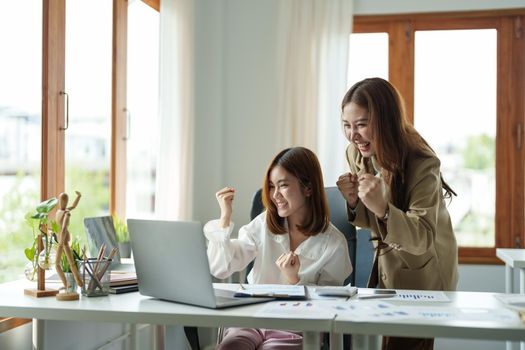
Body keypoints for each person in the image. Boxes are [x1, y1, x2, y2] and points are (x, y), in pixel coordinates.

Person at [336, 78, 458, 350]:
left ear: (385, 120)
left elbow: (423, 236)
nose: (353, 135)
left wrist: (381, 207)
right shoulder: (356, 152)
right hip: (388, 267)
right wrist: (356, 202)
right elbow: (375, 217)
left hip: (423, 270)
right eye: (347, 125)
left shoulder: (422, 163)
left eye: (361, 125)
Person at [205, 146, 353, 350]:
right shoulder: (263, 224)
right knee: (230, 346)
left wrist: (295, 281)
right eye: (272, 186)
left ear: (308, 187)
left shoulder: (333, 242)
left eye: (283, 186)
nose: (275, 195)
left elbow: (329, 307)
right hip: (252, 318)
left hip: (296, 327)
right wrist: (224, 218)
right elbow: (220, 268)